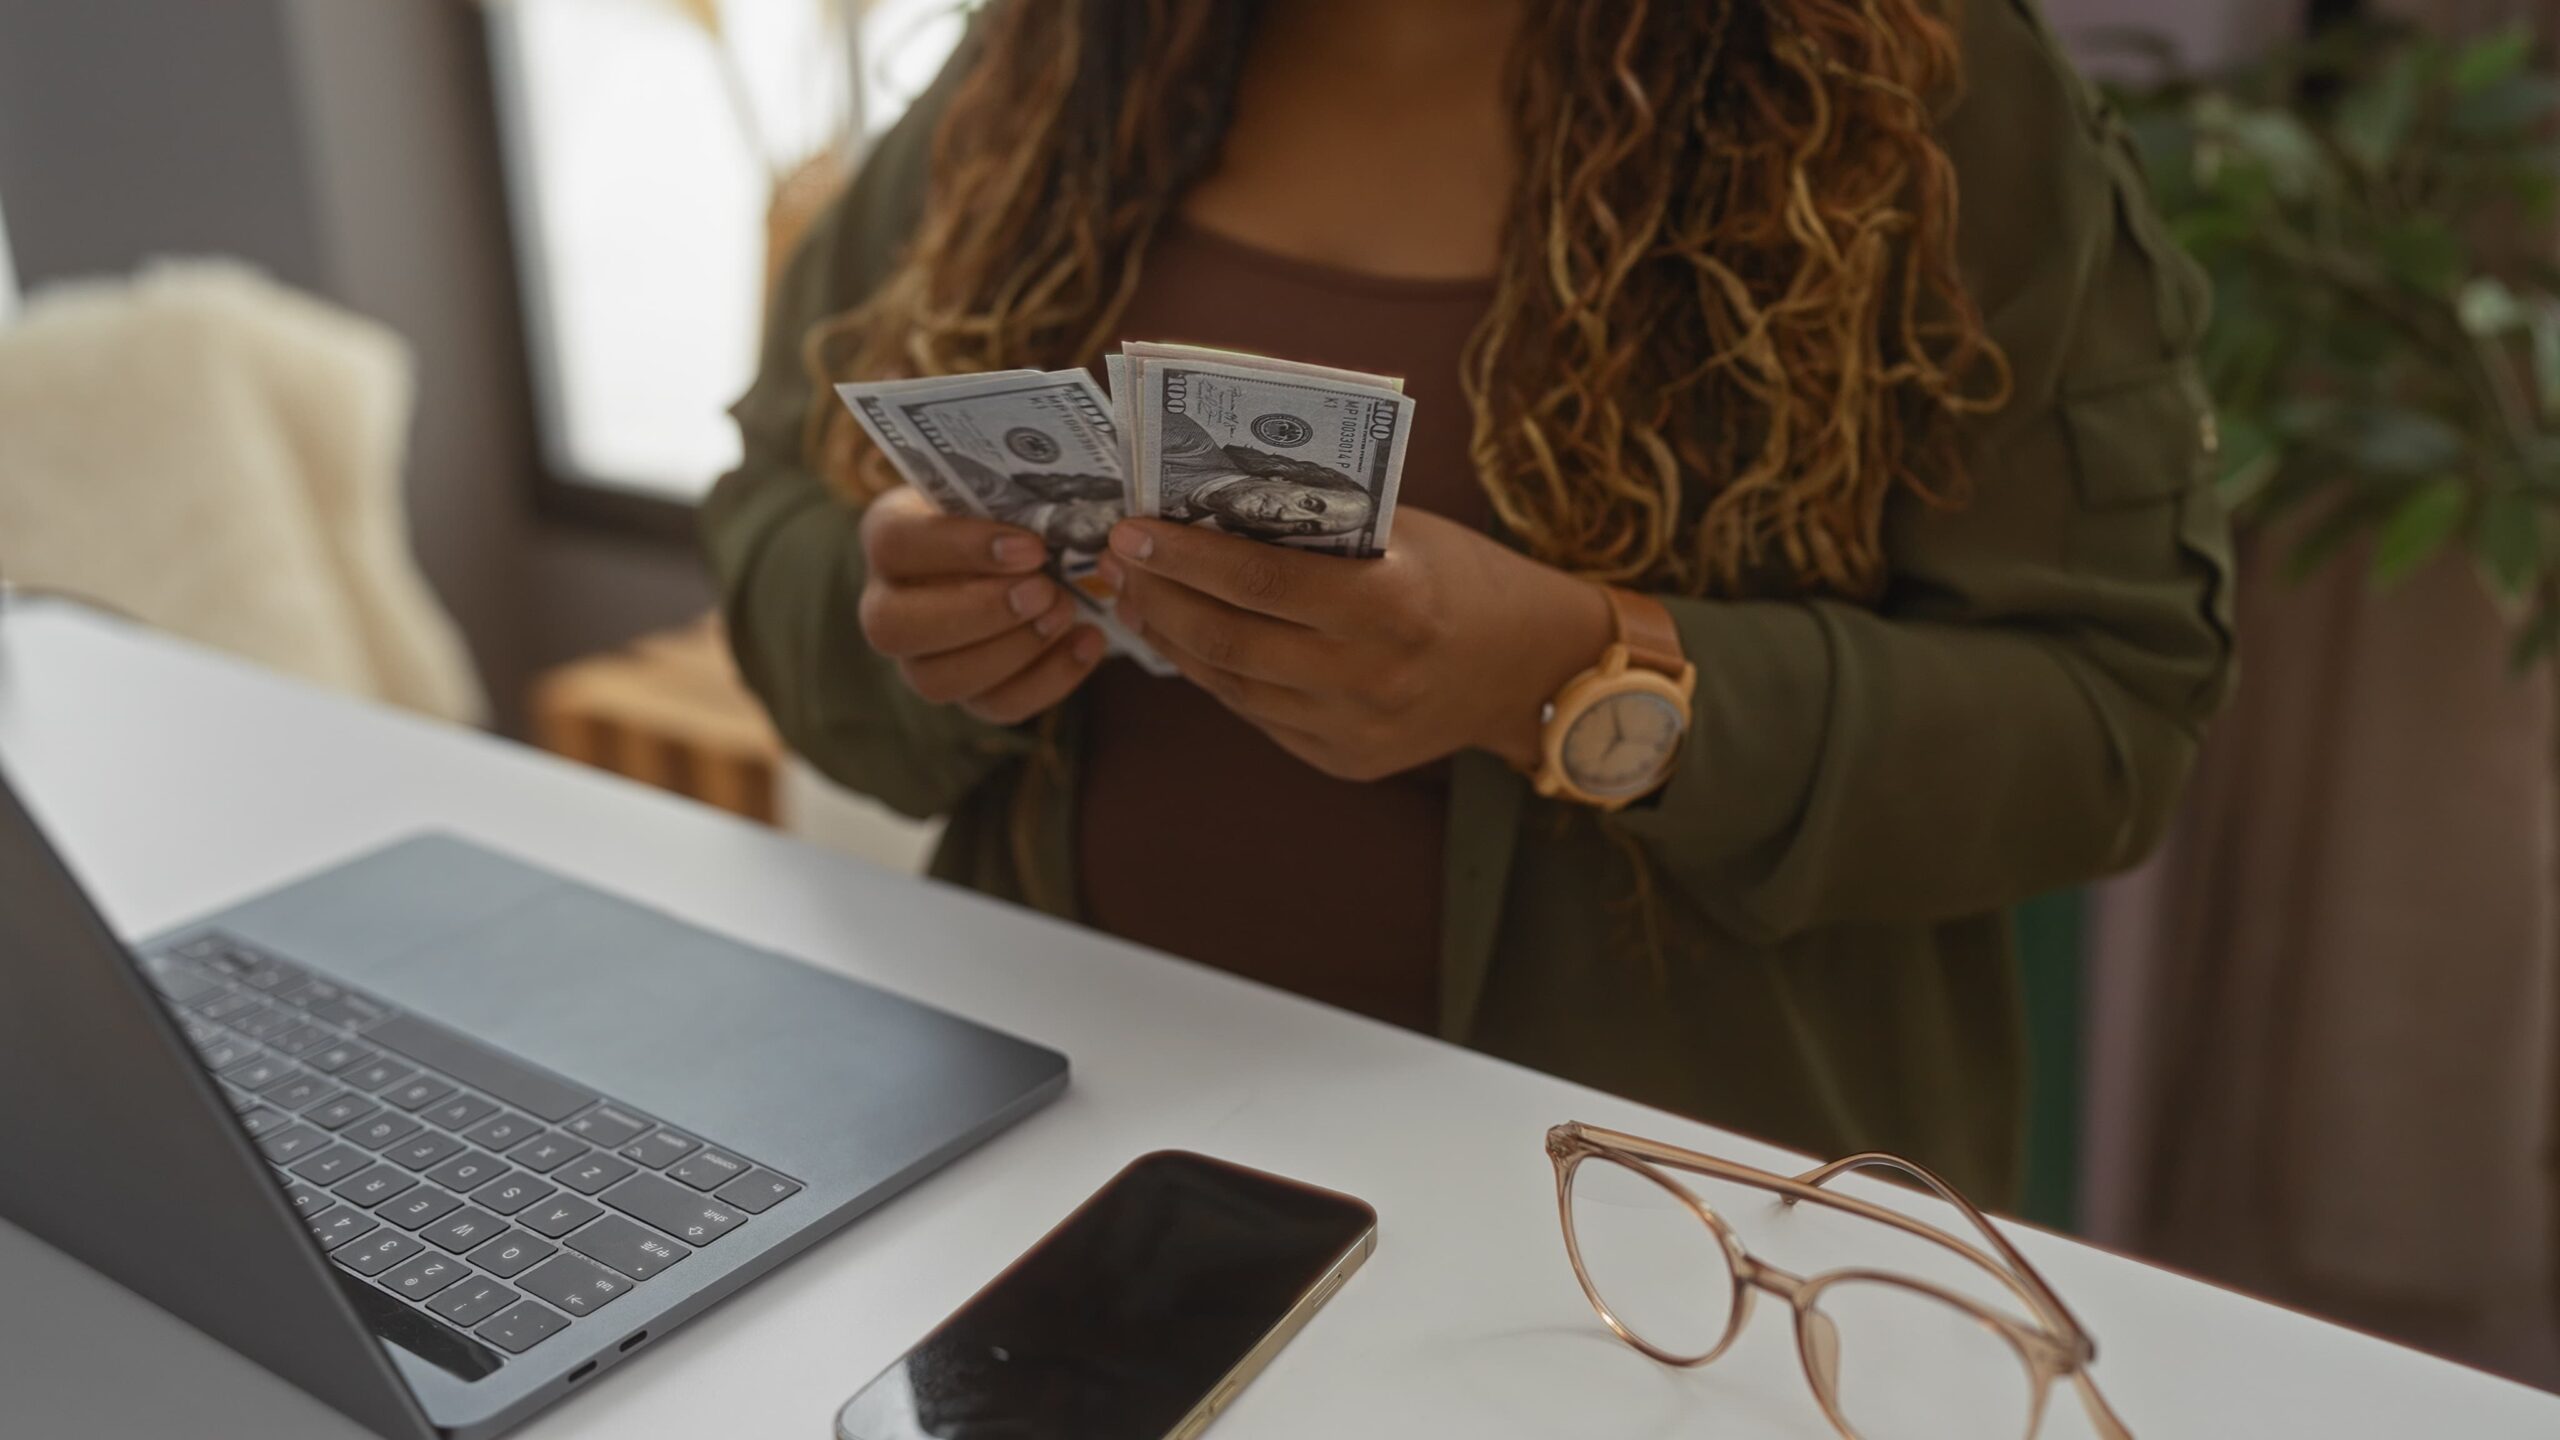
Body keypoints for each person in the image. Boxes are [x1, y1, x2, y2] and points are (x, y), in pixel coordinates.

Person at [702, 0, 2233, 1202]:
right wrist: (901, 618)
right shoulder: (1051, 52)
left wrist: (1571, 680)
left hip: (1651, 1261)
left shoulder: (1912, 79)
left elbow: (2109, 721)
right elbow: (774, 510)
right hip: (1069, 1185)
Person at [1155, 412, 1377, 544]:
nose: (1285, 517)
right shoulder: (1187, 443)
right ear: (1284, 478)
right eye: (1308, 503)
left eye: (1305, 527)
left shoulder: (1183, 530)